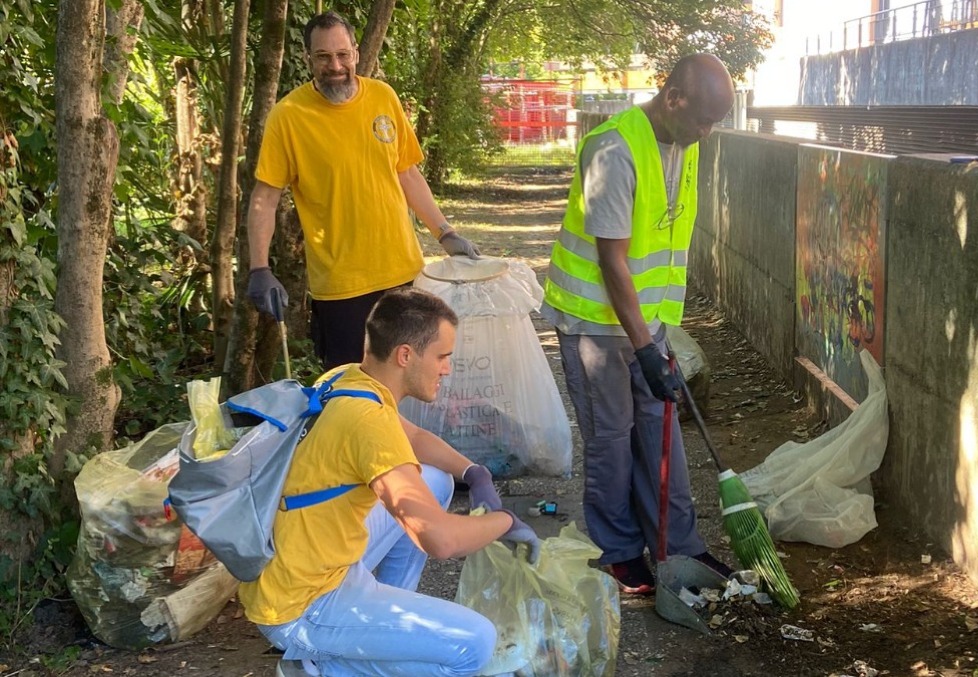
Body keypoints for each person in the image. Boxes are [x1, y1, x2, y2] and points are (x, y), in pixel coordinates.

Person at [240, 288, 539, 677]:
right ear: (405, 355)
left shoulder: (345, 379)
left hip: (303, 563)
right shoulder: (368, 422)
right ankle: (321, 669)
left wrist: (473, 472)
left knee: (434, 481)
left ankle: (383, 620)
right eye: (442, 356)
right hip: (302, 604)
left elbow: (413, 439)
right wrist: (506, 522)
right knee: (476, 644)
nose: (447, 368)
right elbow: (439, 539)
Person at [540, 54, 736, 594]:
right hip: (594, 324)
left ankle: (679, 546)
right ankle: (619, 551)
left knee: (661, 428)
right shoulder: (614, 149)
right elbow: (612, 260)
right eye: (703, 119)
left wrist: (654, 339)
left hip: (647, 322)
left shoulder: (684, 142)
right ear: (673, 97)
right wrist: (644, 349)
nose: (707, 132)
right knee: (612, 437)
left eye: (715, 122)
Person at [244, 11, 481, 370]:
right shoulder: (288, 116)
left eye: (342, 54)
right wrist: (259, 268)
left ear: (356, 52)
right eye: (323, 56)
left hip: (402, 274)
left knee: (412, 379)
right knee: (352, 391)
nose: (335, 65)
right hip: (341, 287)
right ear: (308, 59)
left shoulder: (382, 97)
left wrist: (445, 232)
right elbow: (265, 198)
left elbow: (407, 173)